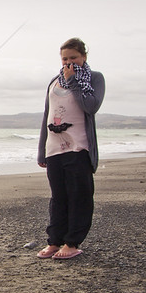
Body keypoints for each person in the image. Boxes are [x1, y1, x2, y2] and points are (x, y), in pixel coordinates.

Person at [36, 38, 105, 260]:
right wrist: (41, 150)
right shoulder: (54, 82)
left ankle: (72, 243)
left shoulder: (94, 78)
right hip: (54, 148)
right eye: (65, 58)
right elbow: (47, 115)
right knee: (58, 197)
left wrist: (74, 81)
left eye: (73, 58)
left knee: (80, 196)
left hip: (79, 146)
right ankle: (55, 241)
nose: (69, 62)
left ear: (83, 57)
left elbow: (91, 106)